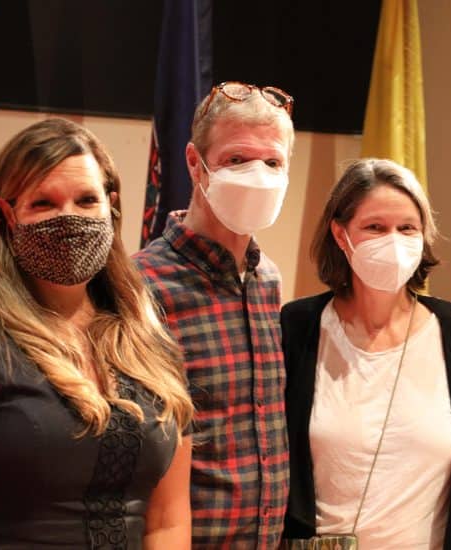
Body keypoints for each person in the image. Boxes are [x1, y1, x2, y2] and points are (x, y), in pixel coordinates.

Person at [0, 118, 195, 549]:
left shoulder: (150, 344)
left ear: (111, 206)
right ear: (7, 217)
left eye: (86, 200)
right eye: (43, 203)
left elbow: (167, 523)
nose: (68, 217)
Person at [280, 158, 451, 549]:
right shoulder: (297, 326)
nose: (393, 241)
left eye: (407, 228)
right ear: (340, 234)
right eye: (375, 227)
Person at [134, 81, 294, 548]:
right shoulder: (141, 286)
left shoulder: (267, 280)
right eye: (236, 160)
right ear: (193, 163)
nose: (257, 175)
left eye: (273, 162)